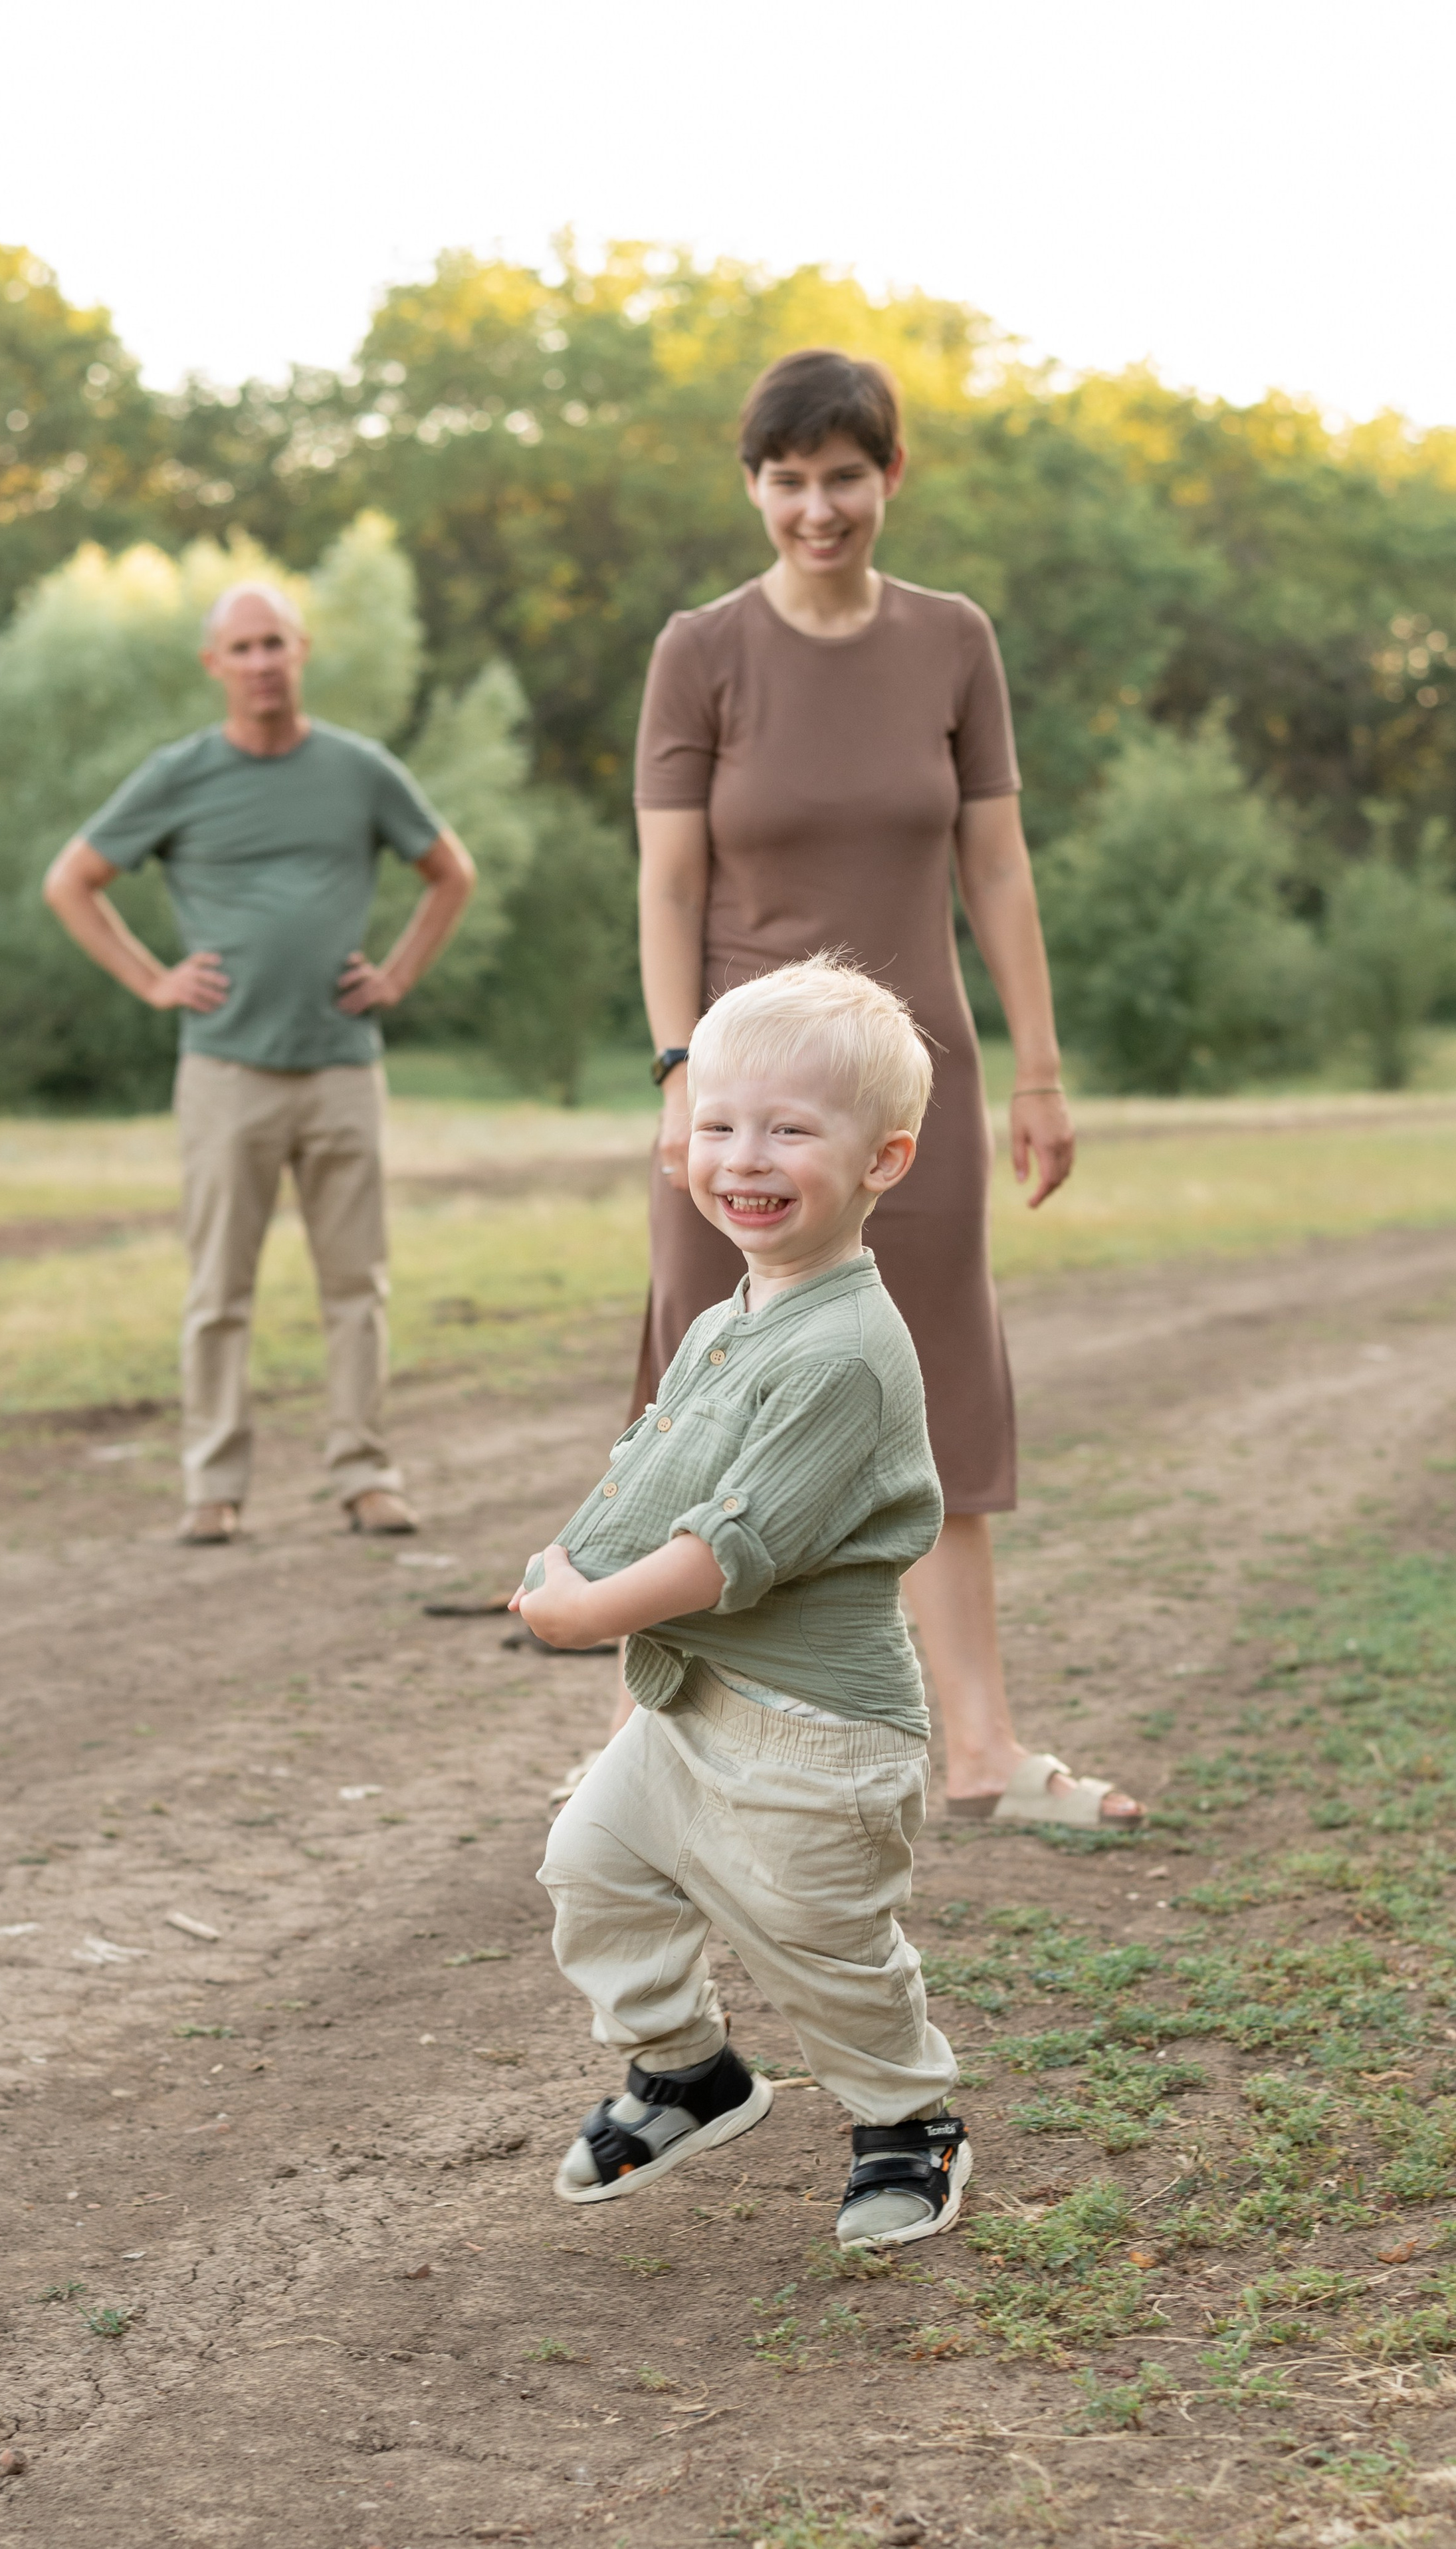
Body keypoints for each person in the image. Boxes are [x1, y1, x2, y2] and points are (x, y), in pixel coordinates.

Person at [628, 348, 1140, 1829]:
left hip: (913, 1085)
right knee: (705, 1392)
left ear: (888, 477)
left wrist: (1037, 1068)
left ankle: (976, 1749)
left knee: (937, 1390)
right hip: (739, 1095)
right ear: (753, 486)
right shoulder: (699, 650)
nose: (814, 508)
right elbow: (668, 882)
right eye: (784, 480)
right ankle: (659, 1744)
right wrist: (678, 1077)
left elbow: (994, 861)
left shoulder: (950, 640)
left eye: (841, 476)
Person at [521, 960, 970, 2253]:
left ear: (881, 1159)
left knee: (824, 1947)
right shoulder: (741, 1311)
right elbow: (660, 1463)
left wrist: (585, 1613)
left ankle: (905, 2121)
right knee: (592, 1868)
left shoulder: (841, 1349)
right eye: (718, 1124)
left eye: (789, 1128)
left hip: (813, 1734)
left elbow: (731, 1550)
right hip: (691, 1711)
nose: (743, 1156)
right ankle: (685, 2072)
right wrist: (574, 1551)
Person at [43, 580, 475, 1545]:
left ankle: (367, 1476)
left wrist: (399, 973)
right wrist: (153, 979)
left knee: (356, 1287)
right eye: (241, 649)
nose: (261, 663)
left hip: (340, 1070)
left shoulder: (360, 771)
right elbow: (71, 882)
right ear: (215, 666)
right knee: (217, 1293)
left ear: (302, 650)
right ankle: (213, 1488)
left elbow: (452, 872)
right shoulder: (178, 774)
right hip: (226, 1072)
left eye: (275, 643)